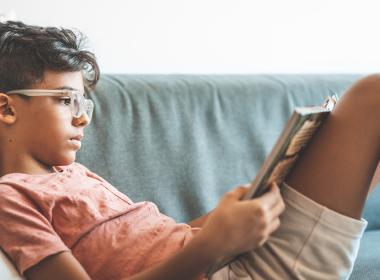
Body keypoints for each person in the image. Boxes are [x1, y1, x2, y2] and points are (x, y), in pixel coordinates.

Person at [0, 20, 378, 280]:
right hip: (230, 271)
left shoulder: (72, 174)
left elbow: (163, 238)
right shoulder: (11, 198)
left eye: (85, 104)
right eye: (67, 101)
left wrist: (226, 217)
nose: (83, 119)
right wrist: (213, 246)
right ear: (7, 108)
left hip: (231, 257)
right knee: (371, 99)